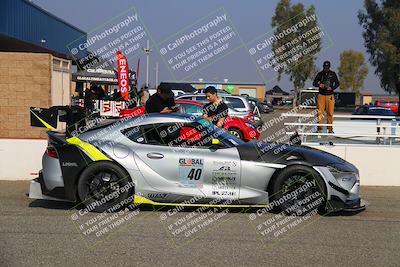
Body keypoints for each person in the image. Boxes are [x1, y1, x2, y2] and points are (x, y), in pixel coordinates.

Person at [313, 61, 340, 133]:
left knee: (330, 112)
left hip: (330, 95)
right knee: (320, 112)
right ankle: (319, 128)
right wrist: (320, 85)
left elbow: (337, 83)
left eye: (327, 67)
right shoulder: (320, 74)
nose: (326, 68)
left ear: (329, 67)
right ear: (323, 67)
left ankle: (330, 129)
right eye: (325, 67)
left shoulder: (333, 74)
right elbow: (314, 83)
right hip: (321, 95)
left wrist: (332, 88)